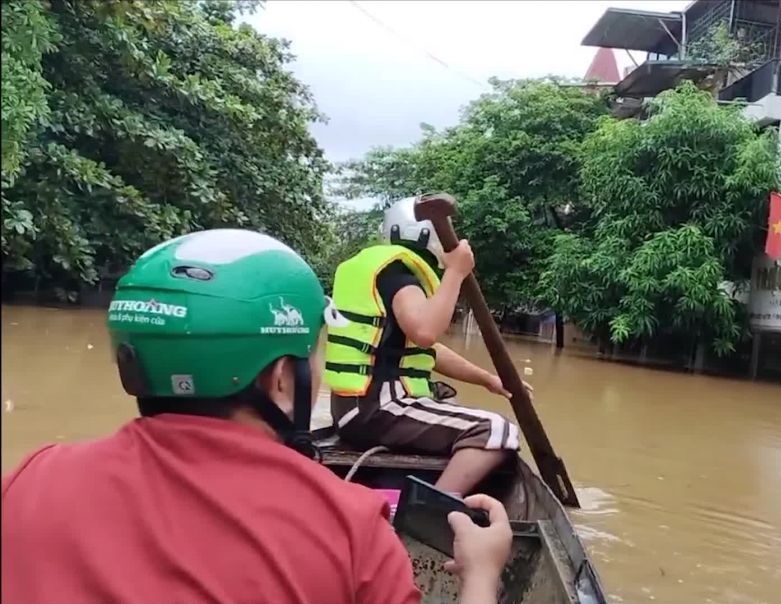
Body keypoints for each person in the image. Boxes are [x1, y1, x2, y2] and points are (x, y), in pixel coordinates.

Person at [1, 229, 512, 604]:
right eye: (313, 349)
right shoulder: (349, 528)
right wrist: (480, 578)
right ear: (280, 380)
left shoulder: (26, 480)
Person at [327, 195, 523, 495]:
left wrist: (487, 380)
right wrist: (456, 272)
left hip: (356, 410)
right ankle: (427, 509)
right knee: (496, 429)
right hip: (378, 408)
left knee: (447, 400)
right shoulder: (400, 277)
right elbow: (425, 333)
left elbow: (427, 351)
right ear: (427, 235)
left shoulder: (386, 273)